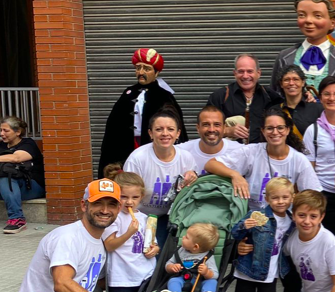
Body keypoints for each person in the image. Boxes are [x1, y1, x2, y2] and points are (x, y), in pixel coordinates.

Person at [9, 178, 130, 292]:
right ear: (84, 205)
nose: (104, 210)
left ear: (119, 208)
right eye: (97, 203)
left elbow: (94, 283)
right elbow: (62, 283)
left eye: (111, 205)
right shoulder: (68, 237)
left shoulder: (100, 242)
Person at [205, 107, 321, 211]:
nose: (275, 132)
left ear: (288, 130)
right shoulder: (252, 151)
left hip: (285, 221)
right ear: (263, 131)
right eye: (270, 128)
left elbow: (313, 195)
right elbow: (211, 164)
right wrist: (235, 175)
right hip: (251, 220)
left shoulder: (299, 160)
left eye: (280, 128)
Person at [97, 48, 184, 177]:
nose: (141, 72)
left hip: (153, 148)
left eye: (146, 69)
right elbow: (113, 127)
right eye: (138, 68)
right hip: (125, 149)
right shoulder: (128, 94)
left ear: (156, 72)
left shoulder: (164, 97)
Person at [124, 107, 198, 247]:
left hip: (170, 216)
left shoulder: (186, 158)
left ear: (178, 134)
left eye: (170, 129)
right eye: (159, 129)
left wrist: (192, 177)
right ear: (150, 133)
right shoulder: (137, 158)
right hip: (140, 214)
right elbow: (126, 194)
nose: (165, 134)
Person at [301, 76, 335, 247]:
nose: (332, 98)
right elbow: (309, 166)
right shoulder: (313, 131)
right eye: (326, 94)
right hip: (325, 193)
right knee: (329, 241)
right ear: (320, 97)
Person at [271, 0, 335, 98]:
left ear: (332, 22)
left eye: (317, 16)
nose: (308, 20)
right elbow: (274, 95)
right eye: (302, 15)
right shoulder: (284, 57)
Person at [231, 177, 295, 292]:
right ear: (267, 199)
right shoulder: (258, 215)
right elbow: (235, 233)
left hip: (271, 272)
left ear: (292, 197)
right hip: (249, 268)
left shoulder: (291, 221)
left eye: (285, 197)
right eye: (275, 198)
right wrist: (243, 226)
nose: (280, 201)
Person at [101, 167, 160, 292]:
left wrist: (155, 250)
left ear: (141, 197)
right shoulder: (114, 217)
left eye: (135, 197)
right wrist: (129, 233)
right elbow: (109, 245)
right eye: (124, 197)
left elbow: (154, 243)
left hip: (144, 273)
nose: (129, 202)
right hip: (122, 275)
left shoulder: (146, 218)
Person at [207, 54, 284, 144]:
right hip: (230, 154)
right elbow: (206, 128)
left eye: (250, 71)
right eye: (241, 71)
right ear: (234, 73)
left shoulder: (271, 97)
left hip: (262, 153)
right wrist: (227, 131)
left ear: (258, 73)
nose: (245, 76)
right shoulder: (220, 96)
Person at [157, 222, 222, 292]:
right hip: (182, 279)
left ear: (195, 247)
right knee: (173, 281)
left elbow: (215, 275)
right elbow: (168, 264)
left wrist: (206, 272)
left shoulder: (208, 257)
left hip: (200, 281)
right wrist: (172, 267)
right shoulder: (180, 251)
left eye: (186, 237)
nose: (183, 237)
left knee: (212, 281)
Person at [0, 115, 46, 233]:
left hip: (31, 186)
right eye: (0, 130)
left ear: (18, 132)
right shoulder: (1, 145)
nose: (2, 133)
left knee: (6, 177)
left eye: (6, 130)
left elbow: (16, 158)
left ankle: (17, 219)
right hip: (7, 189)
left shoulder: (28, 144)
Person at [177, 106, 244, 176]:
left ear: (224, 128)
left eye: (217, 125)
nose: (211, 129)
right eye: (206, 125)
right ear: (198, 128)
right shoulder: (181, 152)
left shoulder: (240, 151)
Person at [277, 65, 323, 141]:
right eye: (286, 80)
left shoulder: (318, 110)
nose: (291, 83)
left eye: (296, 79)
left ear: (303, 82)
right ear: (281, 84)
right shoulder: (275, 111)